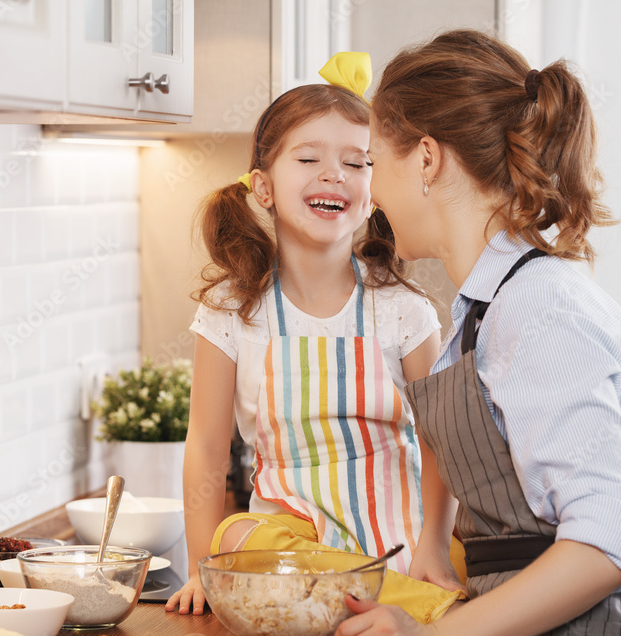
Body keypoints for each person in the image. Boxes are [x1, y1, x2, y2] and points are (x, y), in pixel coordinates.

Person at [337, 30, 621, 636]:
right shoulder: (484, 311)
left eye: (375, 164)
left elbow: (609, 540)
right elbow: (523, 548)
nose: (371, 192)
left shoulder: (539, 309)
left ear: (427, 159)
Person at [165, 53, 465, 622]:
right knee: (237, 539)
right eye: (309, 158)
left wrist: (432, 543)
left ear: (374, 192)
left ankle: (396, 598)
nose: (335, 174)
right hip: (292, 545)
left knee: (453, 554)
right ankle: (427, 613)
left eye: (357, 163)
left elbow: (439, 439)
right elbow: (205, 448)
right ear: (263, 187)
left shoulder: (403, 309)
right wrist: (206, 572)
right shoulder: (231, 311)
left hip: (404, 534)